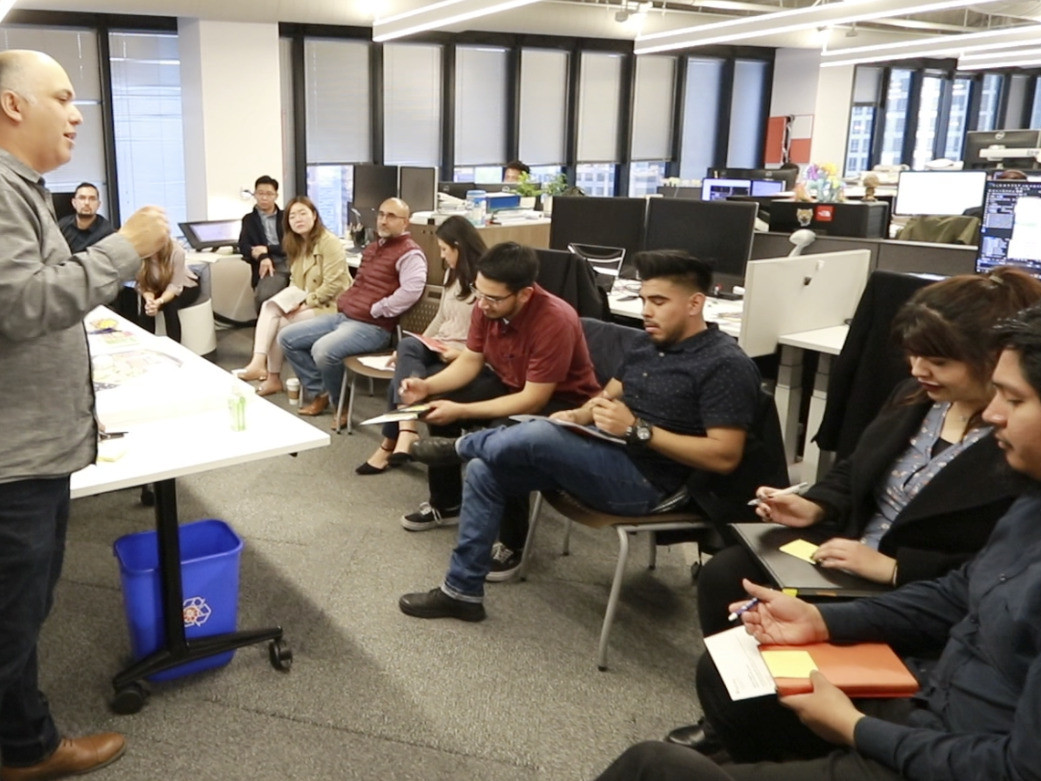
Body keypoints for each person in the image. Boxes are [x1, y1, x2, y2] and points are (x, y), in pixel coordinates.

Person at [593, 304, 1041, 781]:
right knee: (728, 661)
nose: (995, 413)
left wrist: (855, 728)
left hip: (948, 744)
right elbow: (957, 590)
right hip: (930, 696)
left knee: (652, 768)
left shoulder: (1006, 471)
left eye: (1012, 399)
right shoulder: (1028, 502)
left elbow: (1016, 768)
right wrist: (823, 617)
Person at [398, 250, 762, 621]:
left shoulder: (725, 365)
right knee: (485, 469)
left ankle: (460, 446)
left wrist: (637, 430)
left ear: (695, 303)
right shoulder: (647, 345)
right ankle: (461, 592)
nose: (646, 312)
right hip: (610, 452)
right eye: (643, 300)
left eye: (658, 301)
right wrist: (580, 413)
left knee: (536, 434)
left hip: (655, 483)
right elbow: (607, 395)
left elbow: (724, 456)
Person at [0, 49, 169, 780]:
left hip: (32, 436)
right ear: (12, 105)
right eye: (63, 97)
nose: (76, 114)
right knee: (14, 612)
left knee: (20, 604)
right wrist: (123, 248)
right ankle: (25, 749)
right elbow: (24, 304)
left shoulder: (26, 190)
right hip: (16, 455)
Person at [393, 241, 602, 577]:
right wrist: (428, 387)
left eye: (493, 297)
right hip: (510, 383)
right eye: (479, 292)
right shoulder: (486, 305)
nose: (482, 303)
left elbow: (533, 400)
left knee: (504, 436)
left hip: (563, 404)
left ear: (525, 295)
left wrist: (461, 412)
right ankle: (446, 504)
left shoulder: (555, 319)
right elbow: (472, 361)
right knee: (437, 407)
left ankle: (512, 543)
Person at [278, 197, 426, 429]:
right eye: (381, 215)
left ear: (405, 223)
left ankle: (341, 404)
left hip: (372, 327)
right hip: (345, 316)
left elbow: (411, 291)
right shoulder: (373, 248)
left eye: (391, 217)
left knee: (323, 351)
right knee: (287, 337)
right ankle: (321, 391)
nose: (383, 221)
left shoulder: (410, 253)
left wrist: (379, 308)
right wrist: (348, 301)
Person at [356, 215, 482, 475]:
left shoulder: (485, 281)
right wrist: (420, 341)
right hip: (440, 345)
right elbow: (441, 317)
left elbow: (486, 338)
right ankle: (407, 431)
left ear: (460, 246)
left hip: (463, 355)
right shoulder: (452, 273)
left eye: (446, 250)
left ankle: (389, 444)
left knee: (399, 383)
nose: (443, 256)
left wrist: (460, 354)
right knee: (407, 348)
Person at [236, 196, 351, 397]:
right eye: (292, 216)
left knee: (280, 324)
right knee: (269, 307)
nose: (297, 219)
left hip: (332, 306)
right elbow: (295, 283)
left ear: (314, 215)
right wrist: (291, 301)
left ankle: (270, 375)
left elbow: (333, 286)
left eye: (303, 214)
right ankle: (259, 364)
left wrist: (305, 303)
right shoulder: (296, 243)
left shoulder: (329, 242)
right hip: (308, 300)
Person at [133, 237, 199, 344]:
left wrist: (160, 301)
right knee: (146, 305)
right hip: (157, 286)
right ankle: (145, 345)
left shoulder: (176, 251)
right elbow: (143, 284)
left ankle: (175, 348)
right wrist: (150, 300)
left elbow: (175, 286)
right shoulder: (138, 252)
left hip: (184, 284)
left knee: (170, 304)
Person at [238, 174, 288, 309]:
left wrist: (268, 249)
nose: (264, 197)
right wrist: (263, 256)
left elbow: (294, 244)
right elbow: (243, 246)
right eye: (260, 193)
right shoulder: (249, 219)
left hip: (292, 261)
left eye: (269, 194)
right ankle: (267, 328)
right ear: (255, 194)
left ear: (276, 196)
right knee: (265, 298)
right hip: (269, 264)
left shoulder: (286, 217)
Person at [57, 181, 113, 253]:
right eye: (82, 198)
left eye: (92, 199)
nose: (86, 203)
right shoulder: (62, 226)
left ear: (98, 204)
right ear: (74, 203)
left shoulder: (107, 232)